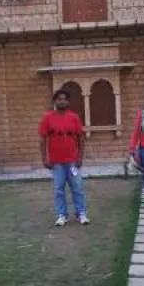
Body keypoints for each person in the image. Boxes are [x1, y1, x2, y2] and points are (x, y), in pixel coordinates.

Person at [39, 89, 90, 227]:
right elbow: (42, 139)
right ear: (55, 101)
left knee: (77, 188)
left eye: (64, 99)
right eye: (59, 99)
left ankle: (81, 213)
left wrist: (80, 157)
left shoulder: (74, 117)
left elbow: (81, 138)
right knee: (59, 189)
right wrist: (44, 158)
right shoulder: (48, 118)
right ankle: (62, 215)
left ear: (68, 102)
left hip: (72, 160)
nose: (62, 101)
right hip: (56, 162)